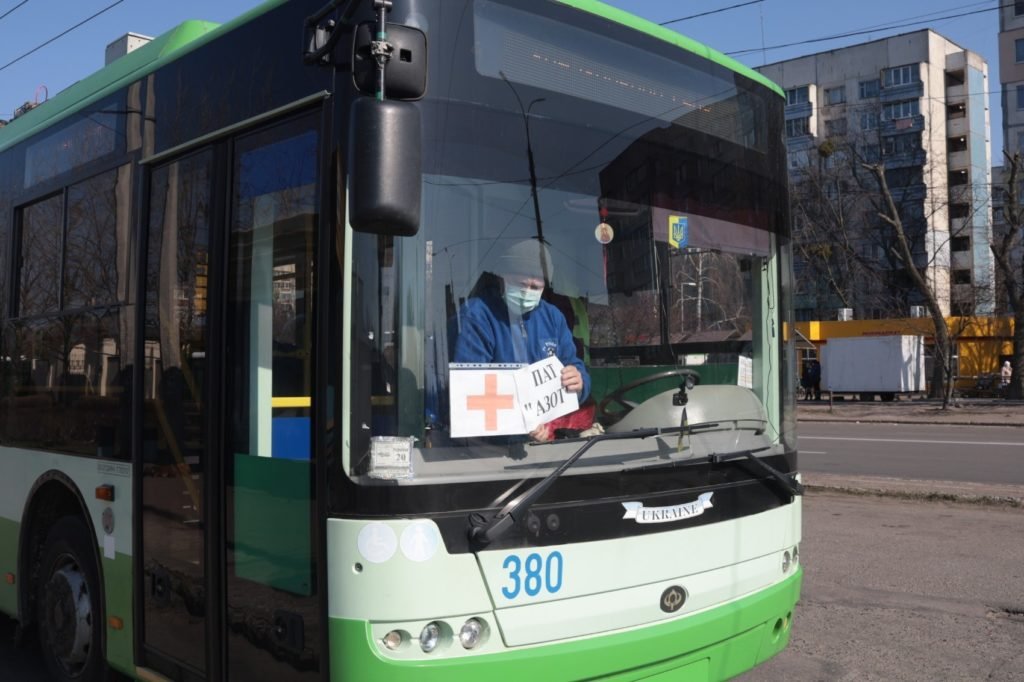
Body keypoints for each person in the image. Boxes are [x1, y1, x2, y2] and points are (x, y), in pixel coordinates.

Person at [452, 239, 590, 439]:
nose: (527, 293)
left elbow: (573, 364)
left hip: (545, 444)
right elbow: (470, 387)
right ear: (503, 278)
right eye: (521, 284)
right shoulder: (477, 316)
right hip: (490, 447)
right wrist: (519, 421)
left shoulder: (553, 317)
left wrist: (579, 382)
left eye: (535, 287)